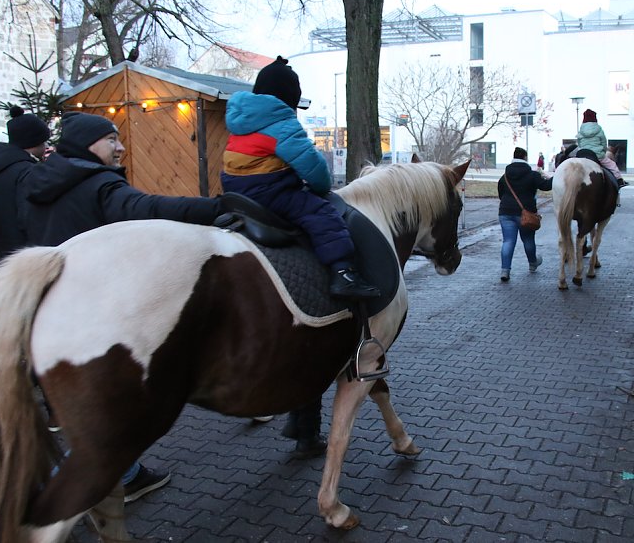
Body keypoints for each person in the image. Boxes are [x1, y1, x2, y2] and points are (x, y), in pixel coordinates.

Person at [22, 111, 225, 502]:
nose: (120, 146)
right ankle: (51, 492)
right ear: (87, 144)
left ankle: (125, 474)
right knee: (124, 406)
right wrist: (214, 209)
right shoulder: (97, 184)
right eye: (111, 139)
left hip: (46, 309)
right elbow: (148, 208)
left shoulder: (36, 183)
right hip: (94, 313)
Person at [221, 55, 378, 301]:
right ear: (289, 97)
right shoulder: (281, 122)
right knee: (321, 214)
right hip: (268, 191)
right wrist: (321, 187)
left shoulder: (241, 119)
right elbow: (313, 168)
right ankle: (343, 273)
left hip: (234, 188)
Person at [0, 106, 50, 266]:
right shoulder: (26, 172)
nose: (46, 146)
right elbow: (31, 217)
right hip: (24, 256)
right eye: (44, 141)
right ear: (35, 142)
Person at [497, 147, 552, 282]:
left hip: (505, 212)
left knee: (508, 241)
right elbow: (545, 186)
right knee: (528, 240)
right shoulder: (532, 175)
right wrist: (556, 177)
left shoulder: (505, 176)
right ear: (525, 158)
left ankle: (505, 270)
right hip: (526, 213)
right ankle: (533, 263)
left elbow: (501, 193)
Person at [576, 109, 628, 187]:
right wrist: (603, 152)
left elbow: (579, 143)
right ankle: (619, 180)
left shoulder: (581, 130)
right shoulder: (599, 129)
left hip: (582, 156)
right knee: (612, 165)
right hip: (597, 155)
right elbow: (603, 143)